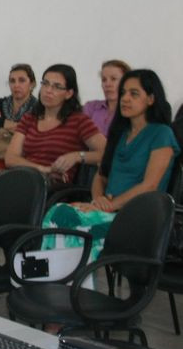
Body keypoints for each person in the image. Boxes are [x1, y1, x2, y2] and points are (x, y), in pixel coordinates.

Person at [43, 69, 180, 259]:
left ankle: (68, 282)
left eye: (134, 94)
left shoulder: (161, 134)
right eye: (123, 93)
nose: (125, 99)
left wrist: (109, 206)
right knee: (57, 213)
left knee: (75, 228)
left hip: (138, 217)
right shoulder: (121, 133)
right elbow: (100, 175)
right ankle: (58, 281)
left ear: (150, 99)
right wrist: (98, 200)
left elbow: (150, 185)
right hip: (108, 210)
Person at [4, 64, 106, 187]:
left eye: (57, 87)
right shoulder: (29, 118)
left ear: (69, 93)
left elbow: (107, 152)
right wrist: (42, 169)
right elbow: (10, 158)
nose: (48, 90)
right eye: (45, 84)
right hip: (25, 177)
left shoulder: (79, 121)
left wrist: (77, 156)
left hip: (53, 188)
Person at [0, 63, 38, 136]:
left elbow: (35, 132)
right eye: (12, 81)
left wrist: (2, 123)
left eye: (22, 80)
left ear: (32, 84)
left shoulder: (39, 108)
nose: (16, 85)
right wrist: (22, 127)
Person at [83, 59, 132, 137]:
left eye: (113, 79)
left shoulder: (133, 111)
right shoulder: (90, 107)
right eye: (104, 80)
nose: (107, 84)